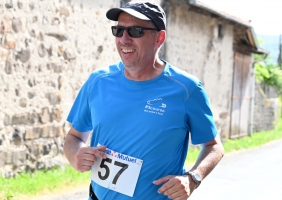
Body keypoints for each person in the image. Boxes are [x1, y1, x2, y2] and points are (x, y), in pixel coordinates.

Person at [63, 1, 224, 200]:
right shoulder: (98, 81)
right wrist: (75, 155)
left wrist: (193, 178)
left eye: (136, 31)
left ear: (159, 37)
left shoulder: (187, 89)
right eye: (119, 30)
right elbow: (74, 137)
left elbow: (214, 146)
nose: (124, 39)